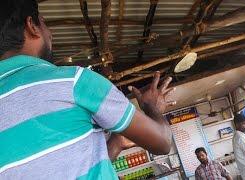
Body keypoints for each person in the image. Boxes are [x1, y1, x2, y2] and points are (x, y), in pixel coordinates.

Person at [0, 0, 176, 179]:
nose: (50, 33)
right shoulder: (71, 81)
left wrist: (117, 142)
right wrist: (153, 108)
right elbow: (162, 142)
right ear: (32, 26)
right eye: (44, 22)